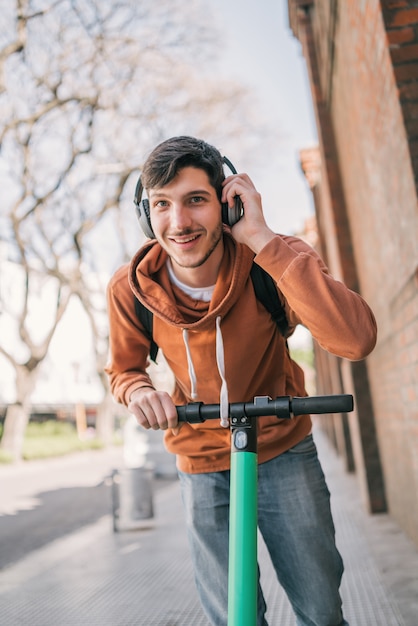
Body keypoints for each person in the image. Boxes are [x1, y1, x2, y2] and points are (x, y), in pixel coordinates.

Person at [105, 136, 377, 626]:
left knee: (320, 608)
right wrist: (139, 391)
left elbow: (355, 340)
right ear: (147, 215)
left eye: (196, 200)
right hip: (201, 458)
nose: (179, 222)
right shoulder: (132, 287)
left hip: (283, 448)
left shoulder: (273, 261)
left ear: (228, 204)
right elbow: (125, 370)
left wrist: (264, 241)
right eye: (162, 205)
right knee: (234, 615)